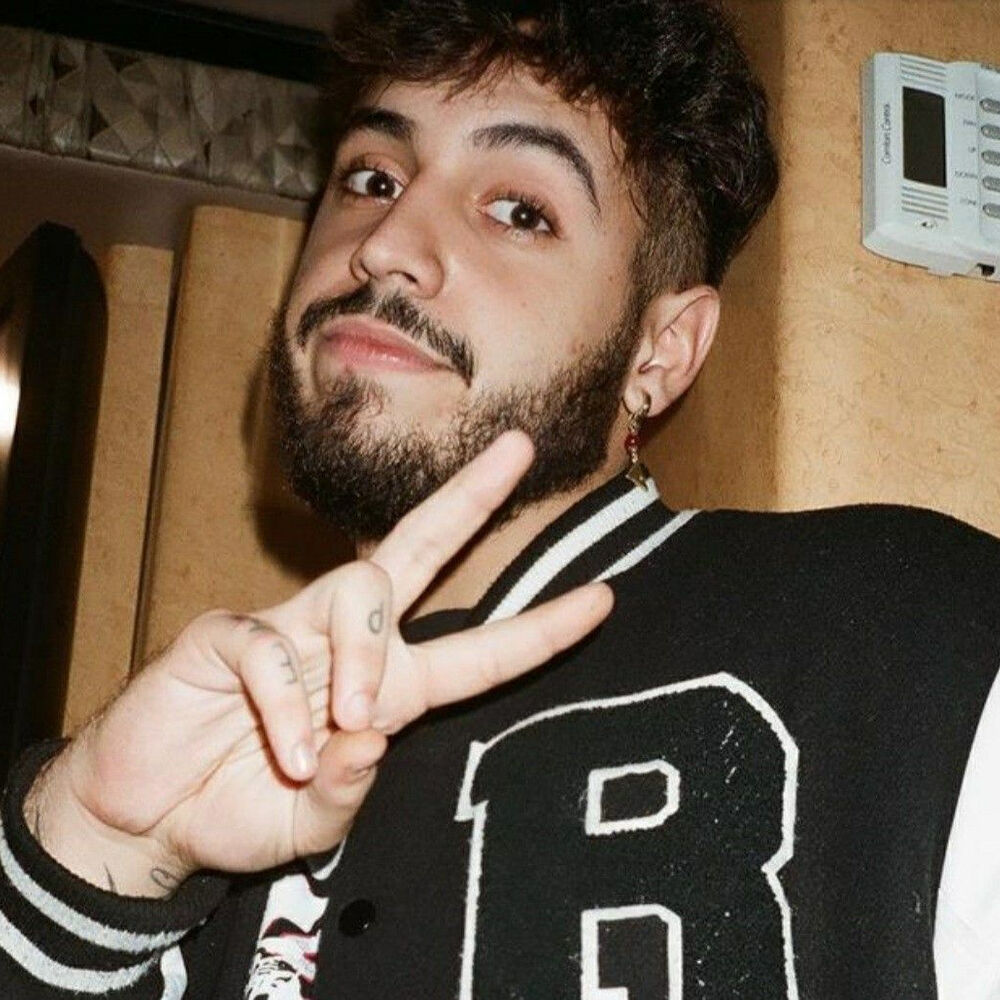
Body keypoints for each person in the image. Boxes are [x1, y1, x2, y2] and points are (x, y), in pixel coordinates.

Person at [2, 0, 999, 997]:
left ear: (661, 351)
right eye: (372, 178)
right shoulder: (213, 798)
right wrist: (96, 843)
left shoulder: (907, 633)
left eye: (519, 210)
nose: (386, 243)